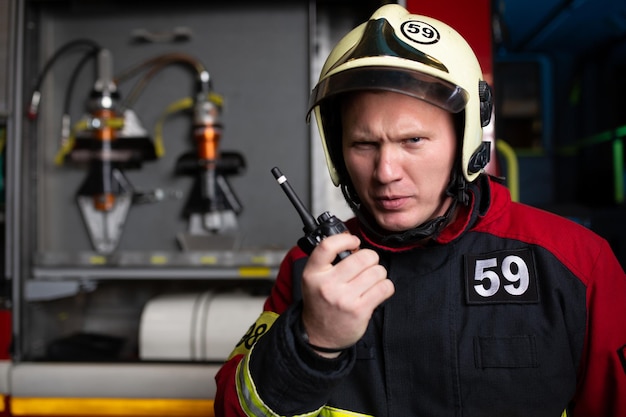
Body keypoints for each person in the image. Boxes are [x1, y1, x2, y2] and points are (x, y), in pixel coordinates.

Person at [214, 4, 626, 416]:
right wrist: (312, 344)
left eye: (412, 141)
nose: (385, 172)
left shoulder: (576, 263)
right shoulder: (310, 268)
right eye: (364, 144)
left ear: (465, 139)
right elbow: (234, 410)